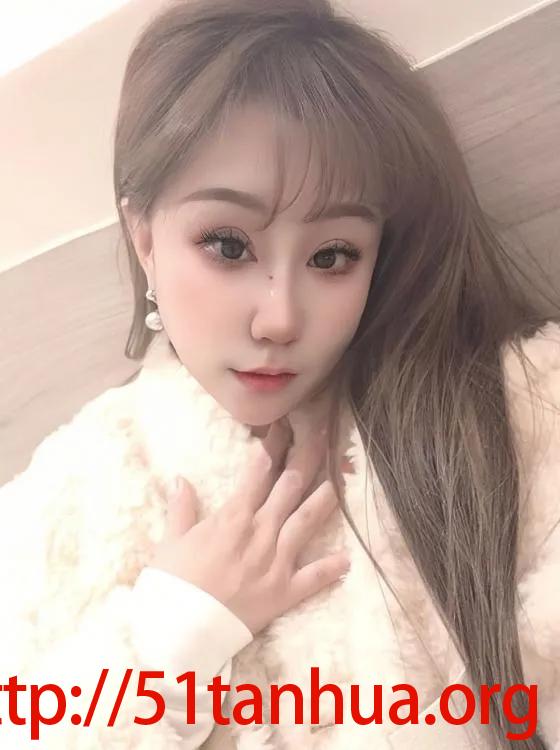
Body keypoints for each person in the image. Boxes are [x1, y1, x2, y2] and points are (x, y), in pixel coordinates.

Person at [0, 0, 559, 748]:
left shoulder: (520, 413)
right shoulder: (59, 510)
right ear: (144, 239)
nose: (281, 318)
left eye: (332, 256)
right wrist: (172, 638)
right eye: (229, 246)